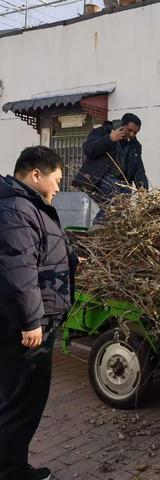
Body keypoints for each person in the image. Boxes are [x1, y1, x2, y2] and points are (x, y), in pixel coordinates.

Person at [0, 146, 78, 480]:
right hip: (29, 325)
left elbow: (39, 254)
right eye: (57, 179)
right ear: (36, 175)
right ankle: (11, 471)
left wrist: (70, 261)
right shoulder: (18, 208)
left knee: (17, 397)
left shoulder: (27, 205)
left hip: (33, 318)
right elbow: (19, 269)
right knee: (23, 401)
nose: (59, 187)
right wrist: (32, 321)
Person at [72, 112, 149, 223]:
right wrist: (110, 139)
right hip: (100, 179)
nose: (131, 134)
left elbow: (138, 168)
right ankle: (97, 231)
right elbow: (89, 150)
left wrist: (143, 189)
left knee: (122, 211)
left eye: (135, 132)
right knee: (111, 207)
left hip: (122, 184)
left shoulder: (135, 146)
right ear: (122, 125)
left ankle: (109, 236)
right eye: (129, 130)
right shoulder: (103, 131)